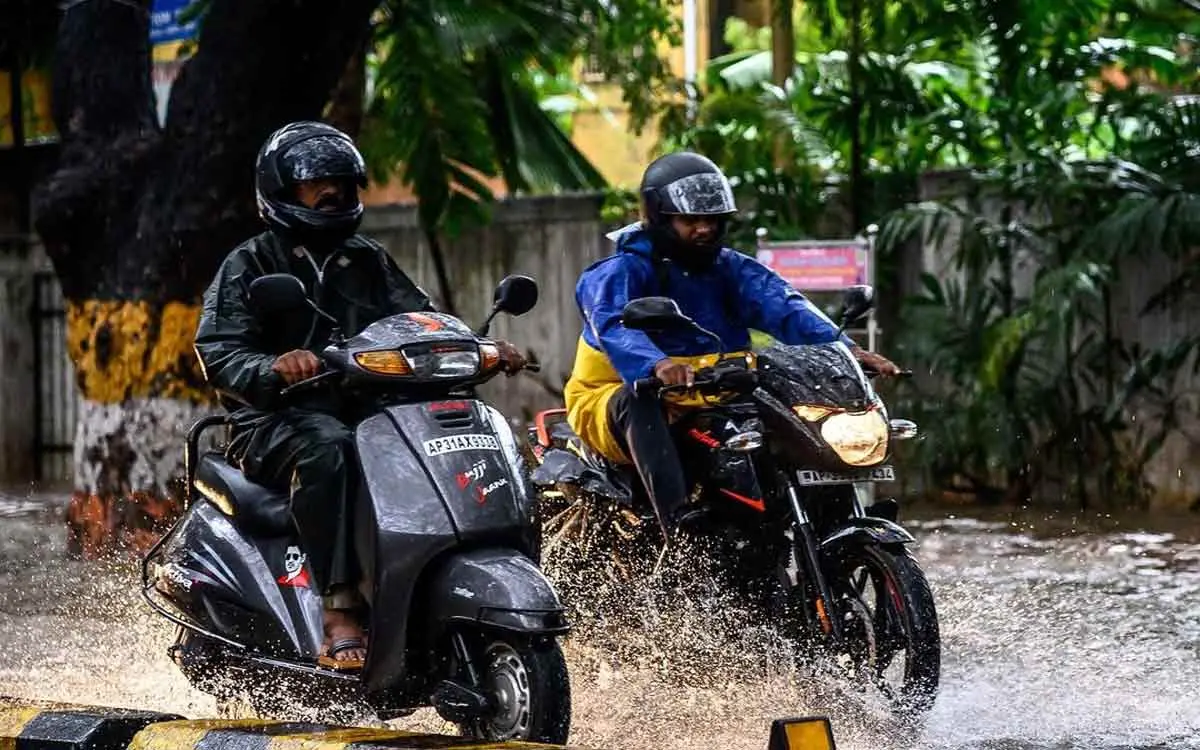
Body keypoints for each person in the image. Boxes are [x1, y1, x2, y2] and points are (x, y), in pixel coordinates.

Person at [193, 121, 525, 671]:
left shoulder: (366, 259)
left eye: (345, 183)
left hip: (369, 409)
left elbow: (419, 322)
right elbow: (220, 351)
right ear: (280, 192)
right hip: (278, 421)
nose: (335, 193)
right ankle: (340, 609)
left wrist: (478, 345)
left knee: (448, 432)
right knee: (329, 447)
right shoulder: (250, 264)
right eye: (318, 183)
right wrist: (274, 366)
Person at [564, 151, 900, 542]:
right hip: (615, 396)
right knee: (639, 401)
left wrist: (846, 351)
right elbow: (615, 324)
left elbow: (785, 307)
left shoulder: (732, 268)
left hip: (715, 389)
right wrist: (656, 364)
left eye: (713, 220)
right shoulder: (618, 273)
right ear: (658, 217)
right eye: (691, 220)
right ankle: (680, 531)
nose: (705, 229)